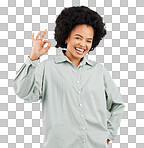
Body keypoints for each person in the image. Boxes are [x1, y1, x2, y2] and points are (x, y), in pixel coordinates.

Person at [12, 6, 125, 148]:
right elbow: (24, 92)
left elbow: (118, 105)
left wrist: (109, 134)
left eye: (88, 40)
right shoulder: (47, 67)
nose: (83, 44)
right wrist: (33, 58)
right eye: (78, 38)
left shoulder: (99, 71)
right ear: (66, 37)